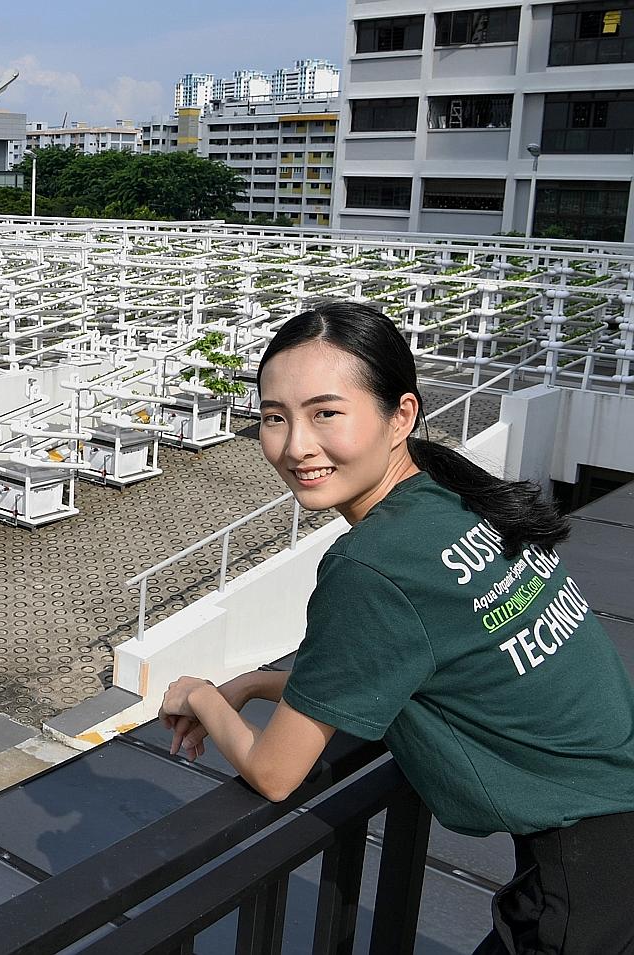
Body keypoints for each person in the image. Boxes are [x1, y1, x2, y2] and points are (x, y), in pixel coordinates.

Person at [157, 301, 634, 954]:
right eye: (274, 417)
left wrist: (201, 694)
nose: (296, 445)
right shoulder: (449, 498)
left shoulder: (372, 563)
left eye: (326, 412)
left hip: (587, 866)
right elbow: (417, 654)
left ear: (400, 414)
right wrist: (261, 683)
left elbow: (274, 772)